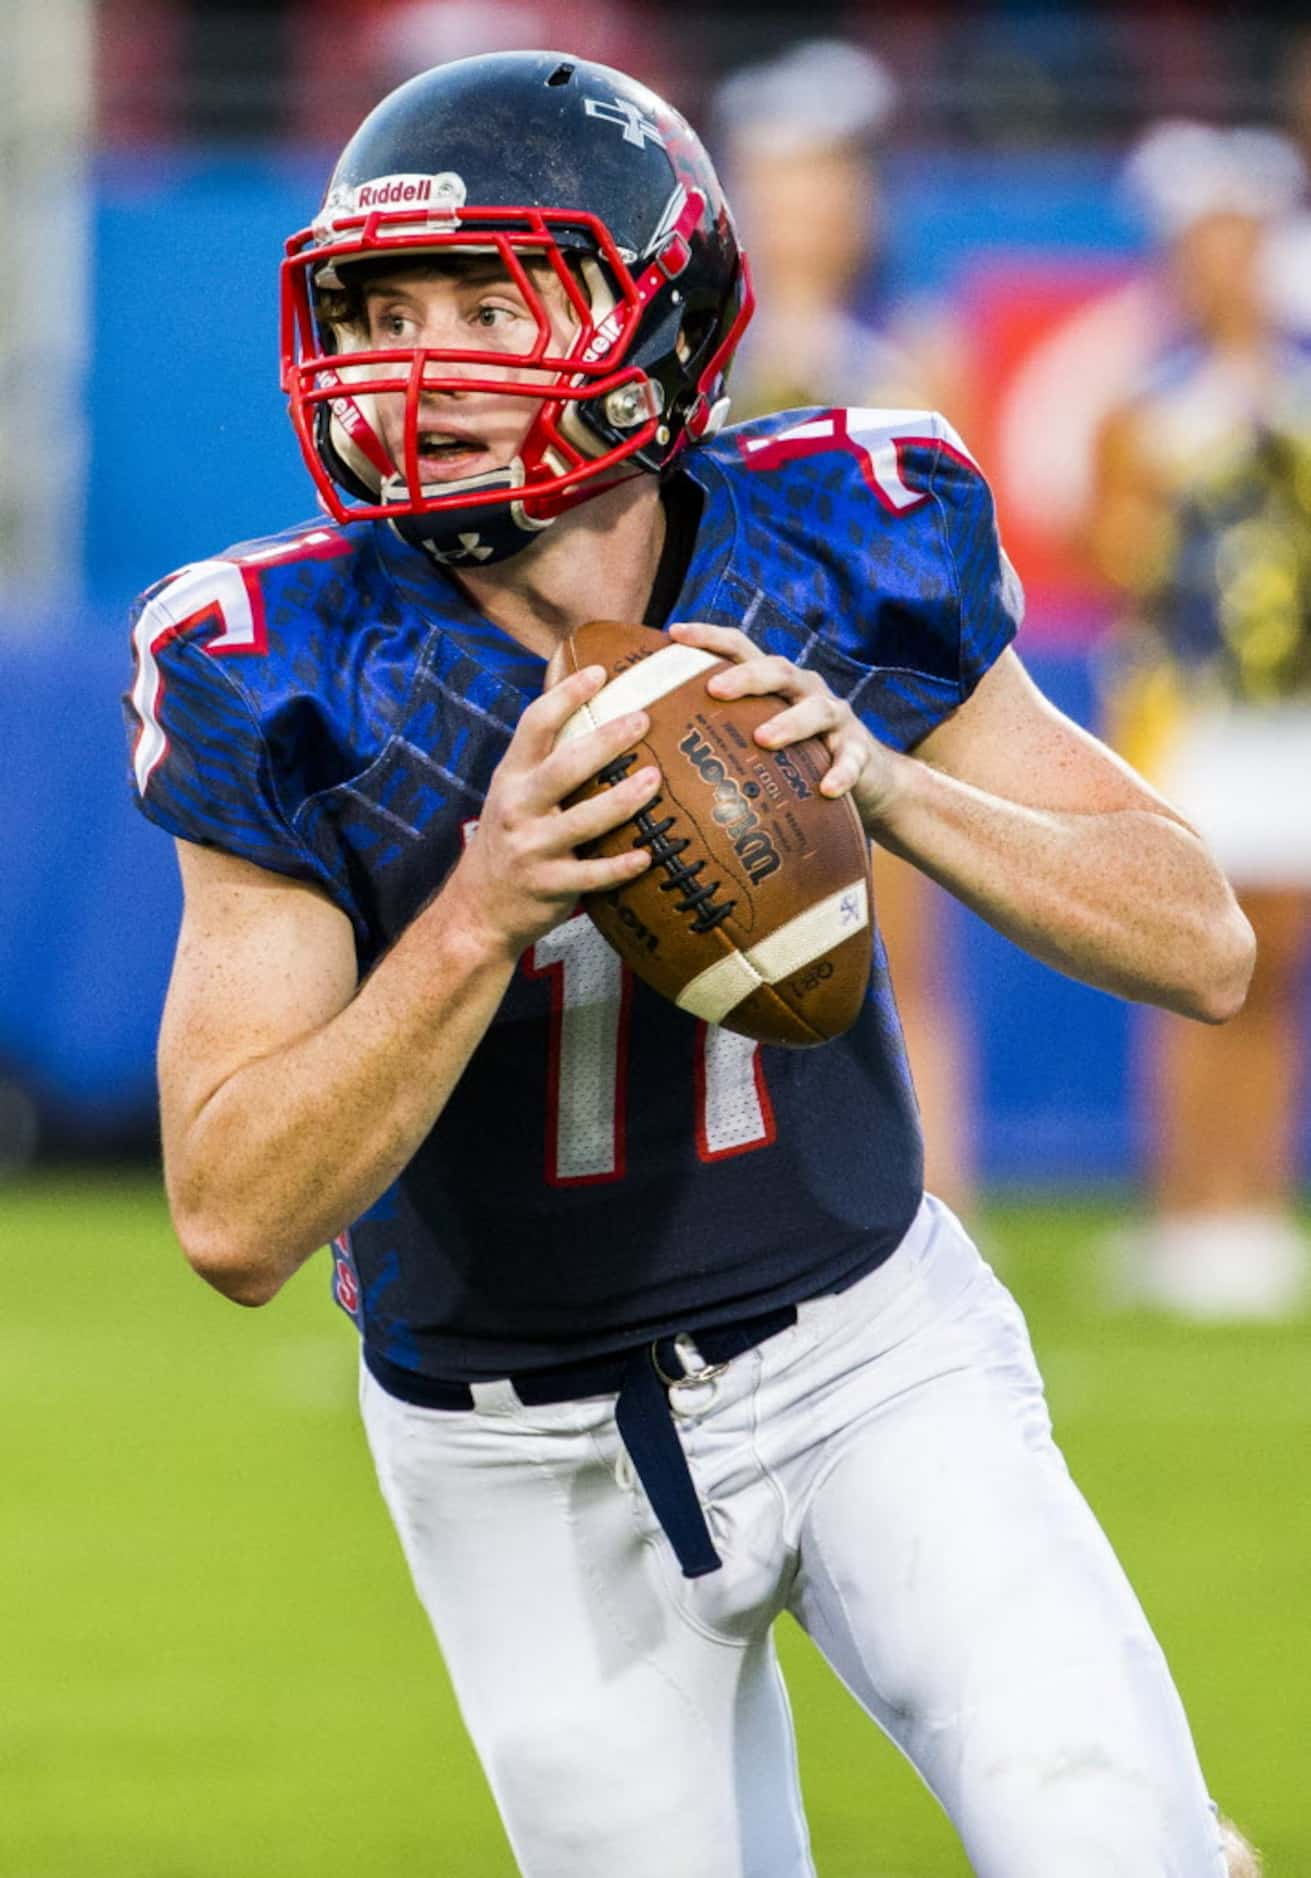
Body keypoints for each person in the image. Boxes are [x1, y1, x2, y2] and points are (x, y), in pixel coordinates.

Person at [126, 51, 1260, 1876]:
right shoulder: (288, 665)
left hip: (872, 1343)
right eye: (383, 305)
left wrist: (881, 783)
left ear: (657, 322)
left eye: (485, 297)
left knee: (1101, 1834)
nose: (422, 355)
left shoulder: (839, 537)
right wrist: (481, 908)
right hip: (514, 1453)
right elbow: (234, 1213)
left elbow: (1199, 939)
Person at [714, 39, 980, 1216]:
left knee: (903, 954)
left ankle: (941, 1204)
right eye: (775, 182)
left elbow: (954, 541)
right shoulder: (711, 350)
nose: (799, 208)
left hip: (873, 689)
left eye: (819, 181)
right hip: (722, 697)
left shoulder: (912, 350)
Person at [1090, 119, 1311, 1320]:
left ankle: (1255, 1206)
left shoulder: (1301, 386)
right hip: (1196, 710)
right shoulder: (1152, 402)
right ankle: (1185, 1207)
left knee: (1280, 959)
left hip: (1293, 711)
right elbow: (1111, 547)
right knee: (1192, 958)